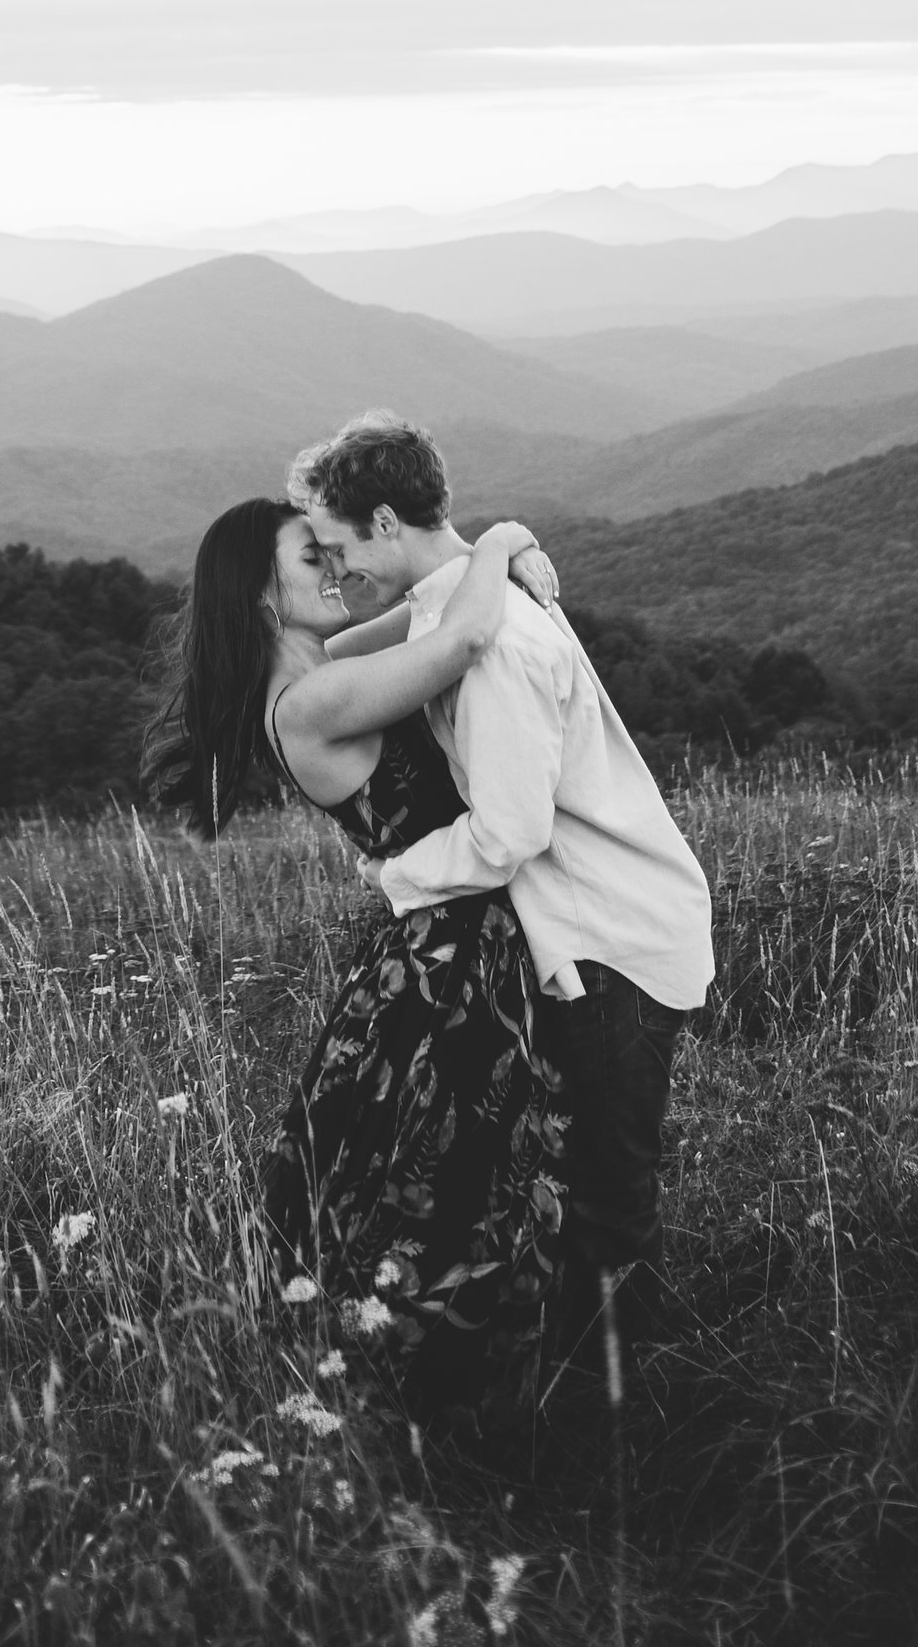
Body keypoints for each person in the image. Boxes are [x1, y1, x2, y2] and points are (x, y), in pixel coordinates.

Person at [291, 412, 714, 1377]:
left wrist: (391, 877)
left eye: (344, 541)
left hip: (612, 937)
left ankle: (624, 1418)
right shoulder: (455, 606)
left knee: (609, 1199)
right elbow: (357, 648)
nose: (338, 562)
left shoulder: (495, 646)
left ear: (388, 521)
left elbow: (508, 835)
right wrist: (505, 539)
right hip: (586, 924)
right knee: (569, 1184)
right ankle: (570, 1393)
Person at [145, 493, 571, 1416]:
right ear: (262, 595)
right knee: (458, 1185)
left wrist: (463, 565)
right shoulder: (310, 701)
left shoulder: (320, 665)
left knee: (441, 1177)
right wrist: (500, 538)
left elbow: (417, 616)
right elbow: (454, 643)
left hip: (446, 939)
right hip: (454, 957)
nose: (334, 570)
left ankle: (422, 1390)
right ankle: (437, 1406)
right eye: (312, 559)